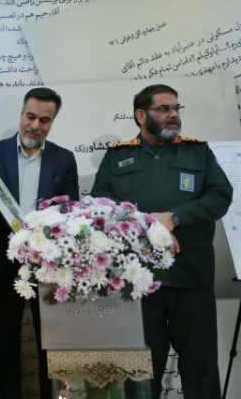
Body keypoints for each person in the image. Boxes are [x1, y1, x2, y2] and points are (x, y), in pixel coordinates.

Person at [91, 84, 233, 399]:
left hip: (191, 276)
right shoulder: (118, 156)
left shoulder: (198, 152)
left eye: (176, 108)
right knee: (140, 373)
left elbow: (220, 196)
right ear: (141, 115)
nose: (173, 115)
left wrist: (174, 217)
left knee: (200, 366)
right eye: (164, 108)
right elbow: (101, 205)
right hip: (138, 279)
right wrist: (148, 224)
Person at [0, 87, 79, 399]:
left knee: (50, 348)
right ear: (21, 114)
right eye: (31, 117)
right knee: (5, 347)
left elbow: (71, 212)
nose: (35, 126)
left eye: (44, 120)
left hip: (48, 267)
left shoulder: (64, 159)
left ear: (52, 122)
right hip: (4, 264)